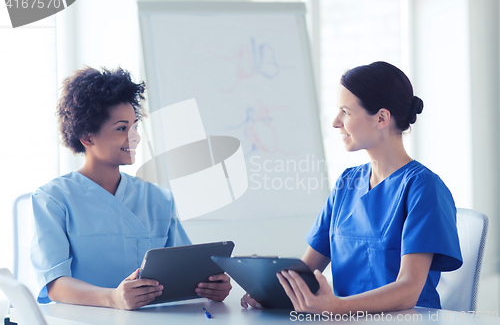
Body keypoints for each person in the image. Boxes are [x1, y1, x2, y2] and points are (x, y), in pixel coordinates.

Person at [241, 61, 462, 313]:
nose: (336, 122)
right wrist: (270, 290)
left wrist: (337, 307)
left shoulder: (424, 188)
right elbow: (307, 270)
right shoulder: (347, 183)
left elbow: (409, 289)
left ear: (381, 118)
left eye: (345, 111)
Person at [31, 67, 231, 310]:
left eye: (134, 127)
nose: (133, 137)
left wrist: (211, 286)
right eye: (121, 128)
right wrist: (112, 298)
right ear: (87, 137)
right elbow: (54, 285)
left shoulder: (158, 199)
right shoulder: (53, 199)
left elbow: (185, 270)